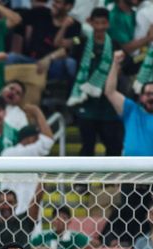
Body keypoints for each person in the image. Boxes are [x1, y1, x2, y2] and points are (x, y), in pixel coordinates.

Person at [47, 8, 123, 156]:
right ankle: (83, 179)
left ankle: (112, 179)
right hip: (86, 104)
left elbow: (120, 71)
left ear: (108, 24)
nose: (100, 27)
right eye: (97, 23)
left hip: (107, 104)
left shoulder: (115, 45)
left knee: (113, 147)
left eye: (103, 23)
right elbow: (58, 43)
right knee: (87, 146)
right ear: (90, 22)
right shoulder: (81, 42)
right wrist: (64, 26)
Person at [105, 50, 153, 156]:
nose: (151, 97)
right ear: (141, 97)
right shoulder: (131, 110)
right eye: (148, 94)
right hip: (130, 170)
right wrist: (115, 63)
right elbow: (110, 92)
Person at [8, 0, 80, 81]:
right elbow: (17, 18)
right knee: (11, 57)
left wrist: (64, 27)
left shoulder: (75, 26)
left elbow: (65, 48)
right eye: (54, 1)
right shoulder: (41, 12)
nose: (54, 4)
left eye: (58, 2)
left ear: (68, 7)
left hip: (53, 64)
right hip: (31, 61)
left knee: (70, 63)